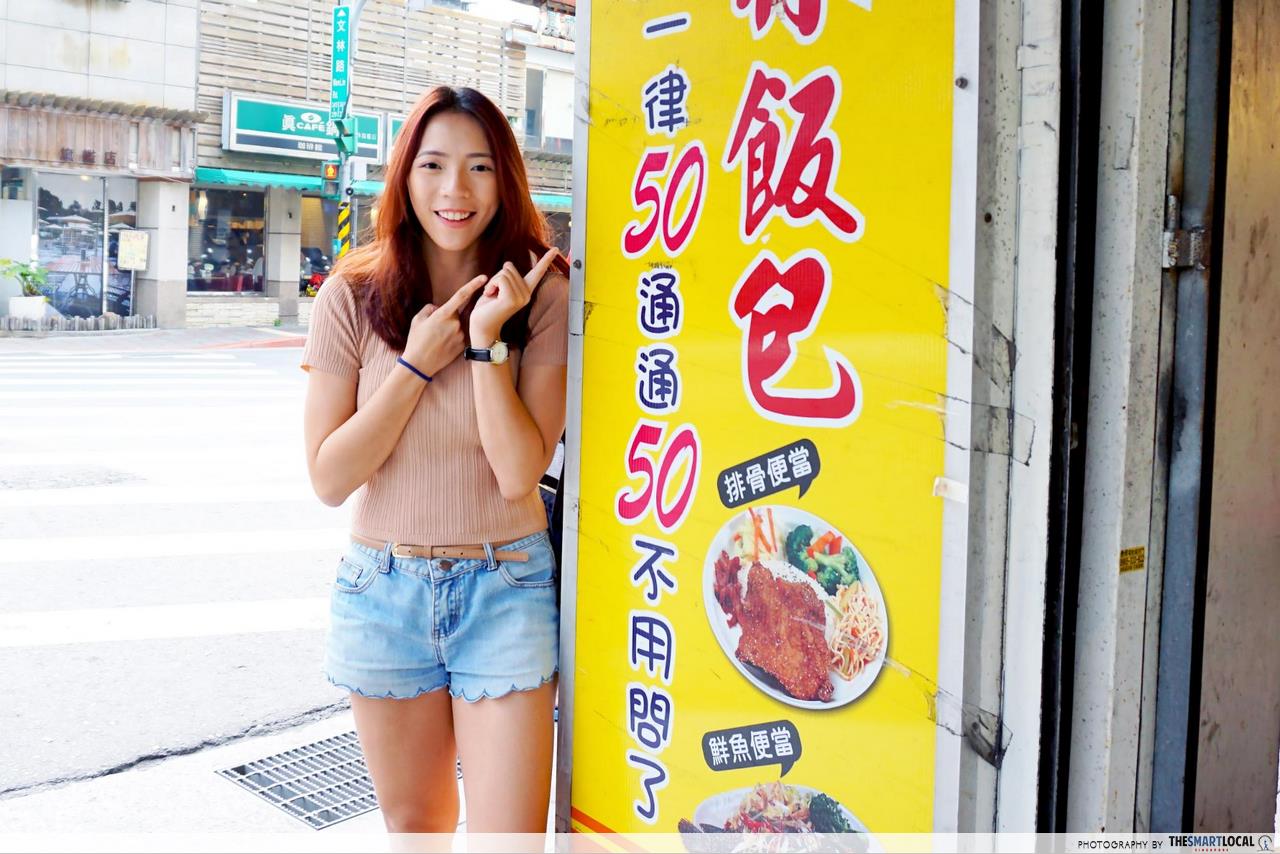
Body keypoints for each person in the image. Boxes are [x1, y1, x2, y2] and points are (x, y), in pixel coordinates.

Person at [300, 85, 570, 836]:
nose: (456, 190)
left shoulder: (542, 294)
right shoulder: (351, 294)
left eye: (480, 167)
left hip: (506, 586)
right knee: (416, 827)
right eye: (433, 165)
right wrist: (416, 365)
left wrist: (486, 346)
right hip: (383, 590)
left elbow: (518, 474)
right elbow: (329, 477)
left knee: (510, 838)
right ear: (404, 176)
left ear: (506, 180)